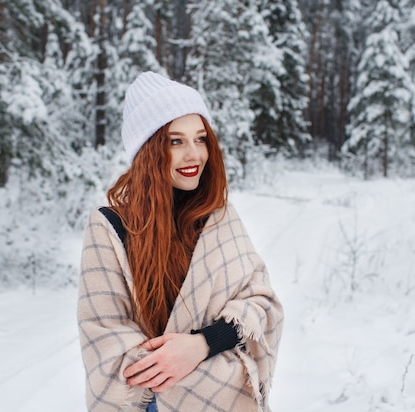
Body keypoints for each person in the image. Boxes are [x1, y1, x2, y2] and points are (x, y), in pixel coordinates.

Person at [77, 71, 283, 412]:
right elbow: (105, 333)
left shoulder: (218, 215)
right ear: (148, 150)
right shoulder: (112, 226)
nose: (194, 154)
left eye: (200, 139)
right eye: (176, 141)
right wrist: (176, 364)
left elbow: (261, 301)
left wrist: (201, 345)